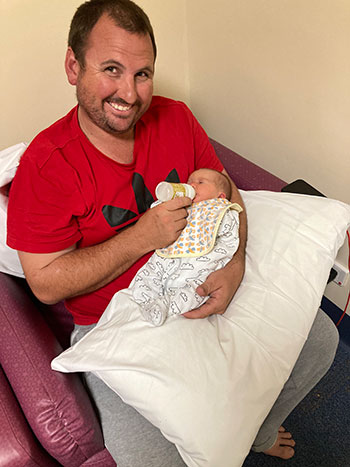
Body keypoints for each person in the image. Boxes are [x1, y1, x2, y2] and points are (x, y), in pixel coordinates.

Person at [6, 0, 338, 465]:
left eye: (143, 74)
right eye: (112, 69)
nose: (129, 92)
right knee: (150, 457)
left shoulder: (176, 117)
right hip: (114, 321)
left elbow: (226, 193)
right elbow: (44, 284)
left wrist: (236, 262)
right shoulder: (45, 166)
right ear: (72, 66)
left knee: (320, 339)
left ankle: (258, 429)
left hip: (200, 280)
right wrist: (143, 236)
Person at [132, 168, 243, 326]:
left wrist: (220, 259)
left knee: (195, 289)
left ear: (221, 196)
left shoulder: (219, 210)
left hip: (199, 261)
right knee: (149, 273)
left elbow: (230, 238)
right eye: (190, 181)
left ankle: (167, 306)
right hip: (170, 254)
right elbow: (156, 214)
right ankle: (146, 301)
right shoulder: (182, 206)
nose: (192, 184)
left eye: (200, 182)